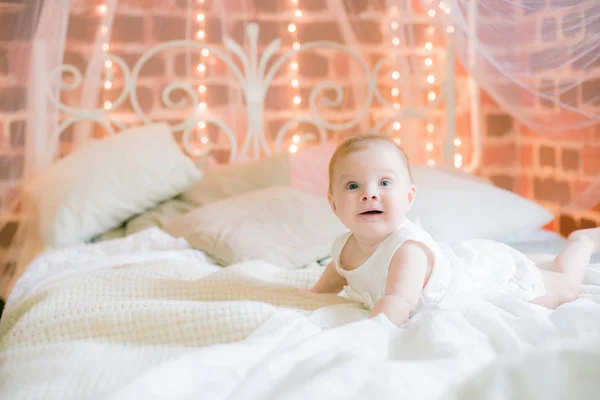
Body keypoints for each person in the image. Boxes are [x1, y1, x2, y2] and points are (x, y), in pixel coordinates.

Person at [310, 134, 600, 327]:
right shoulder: (342, 248)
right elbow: (337, 274)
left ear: (409, 197)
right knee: (534, 265)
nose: (369, 194)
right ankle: (536, 258)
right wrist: (313, 296)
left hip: (477, 279)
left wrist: (365, 336)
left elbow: (398, 302)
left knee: (565, 289)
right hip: (455, 260)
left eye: (384, 183)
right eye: (352, 186)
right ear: (334, 205)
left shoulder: (406, 250)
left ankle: (581, 243)